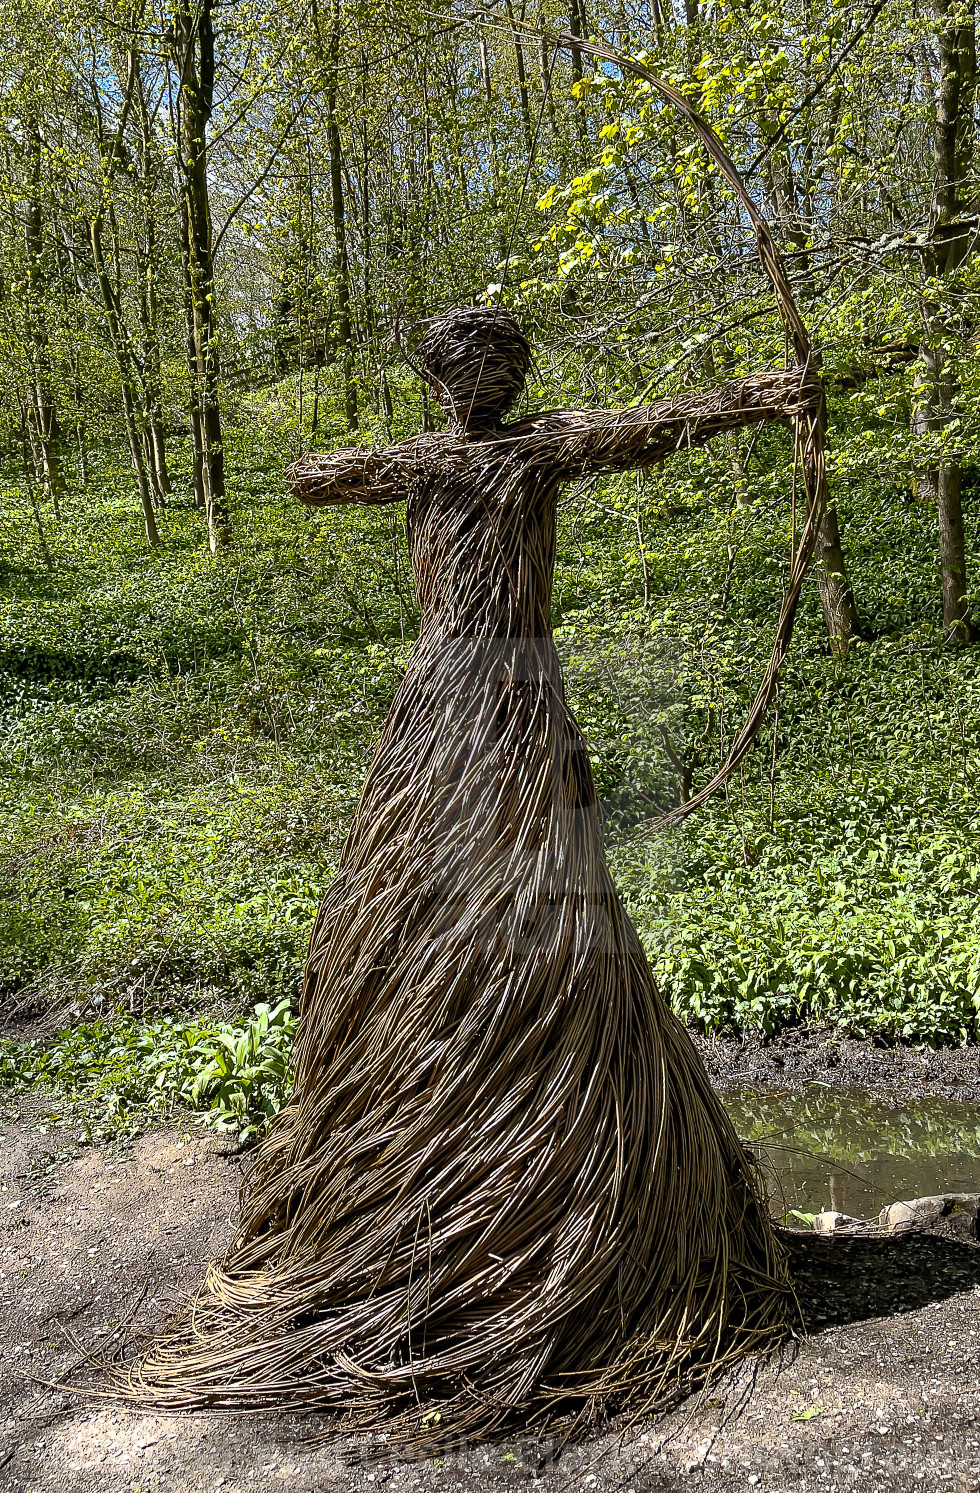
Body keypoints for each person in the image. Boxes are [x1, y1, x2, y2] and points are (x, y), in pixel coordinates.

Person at [136, 306, 815, 1442]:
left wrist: (762, 395)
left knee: (545, 916)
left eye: (500, 365)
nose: (485, 382)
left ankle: (559, 1182)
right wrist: (408, 458)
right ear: (439, 374)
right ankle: (405, 1165)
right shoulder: (439, 459)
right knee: (413, 916)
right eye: (465, 366)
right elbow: (314, 474)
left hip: (510, 706)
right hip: (448, 715)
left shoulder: (537, 447)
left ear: (518, 375)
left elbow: (645, 426)